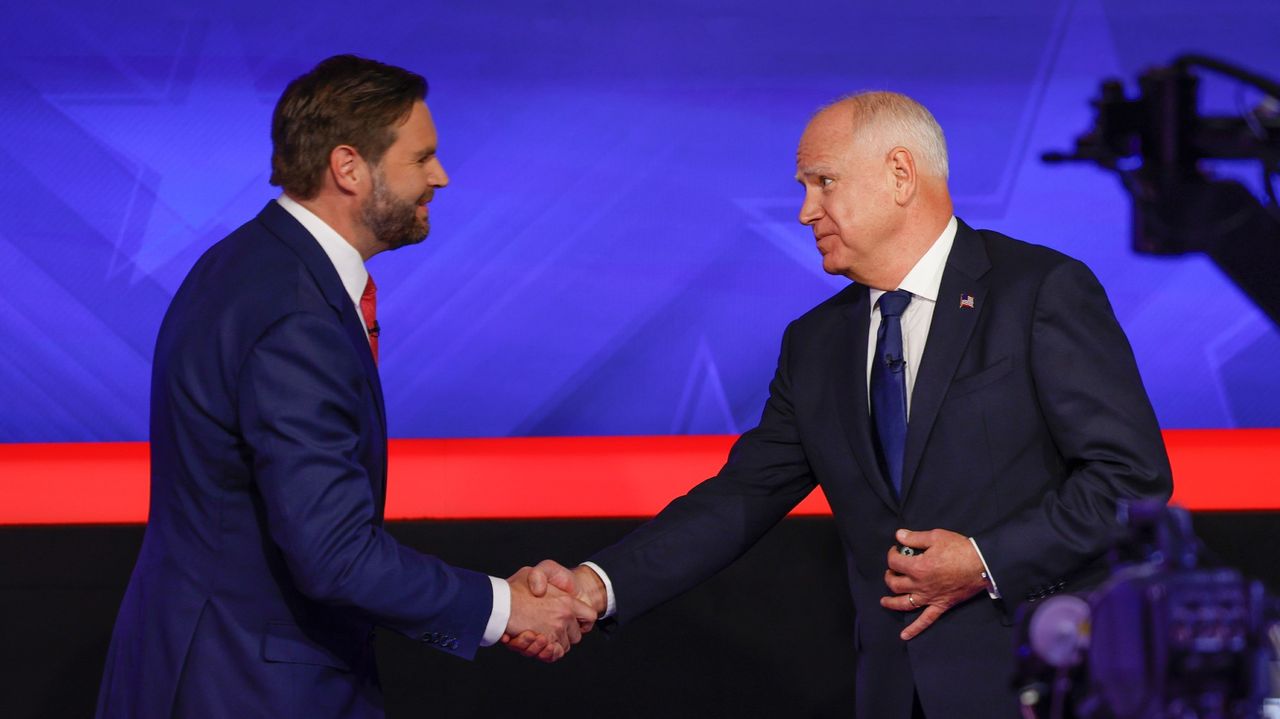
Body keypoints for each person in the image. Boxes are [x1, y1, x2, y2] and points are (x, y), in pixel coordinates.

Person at [510, 92, 1172, 718]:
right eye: (805, 188)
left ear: (900, 175)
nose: (805, 211)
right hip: (891, 692)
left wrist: (984, 558)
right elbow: (739, 499)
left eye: (822, 182)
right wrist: (595, 586)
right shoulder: (815, 343)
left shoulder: (1038, 292)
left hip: (1039, 682)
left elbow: (1130, 479)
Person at [95, 55, 594, 719]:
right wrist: (507, 608)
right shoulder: (294, 311)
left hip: (213, 667)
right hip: (247, 687)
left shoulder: (248, 263)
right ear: (349, 167)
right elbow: (332, 555)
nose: (440, 177)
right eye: (423, 158)